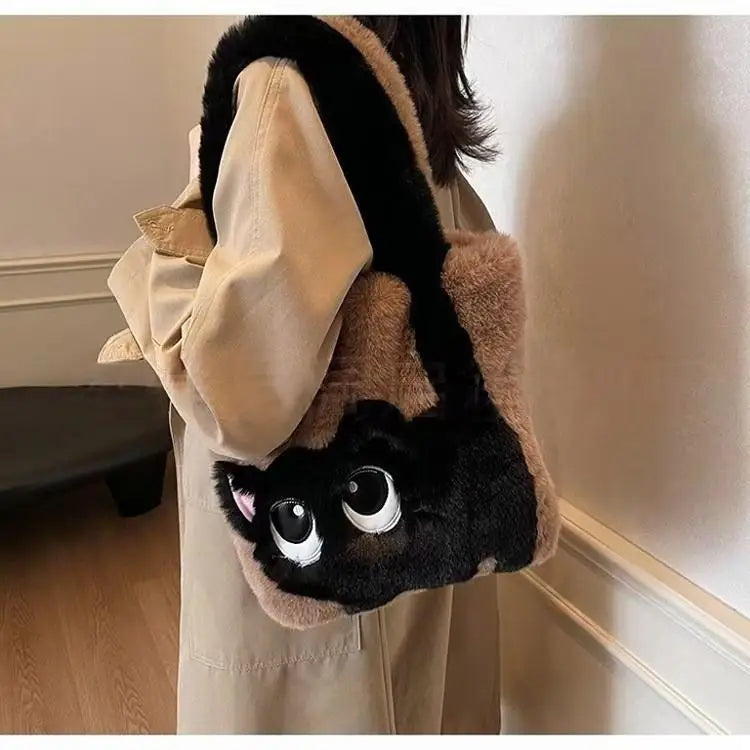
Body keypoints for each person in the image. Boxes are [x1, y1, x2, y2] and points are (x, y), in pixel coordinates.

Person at [102, 15, 502, 734]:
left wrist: (175, 235)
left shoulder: (286, 83)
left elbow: (237, 397)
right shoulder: (411, 94)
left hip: (323, 579)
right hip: (414, 546)